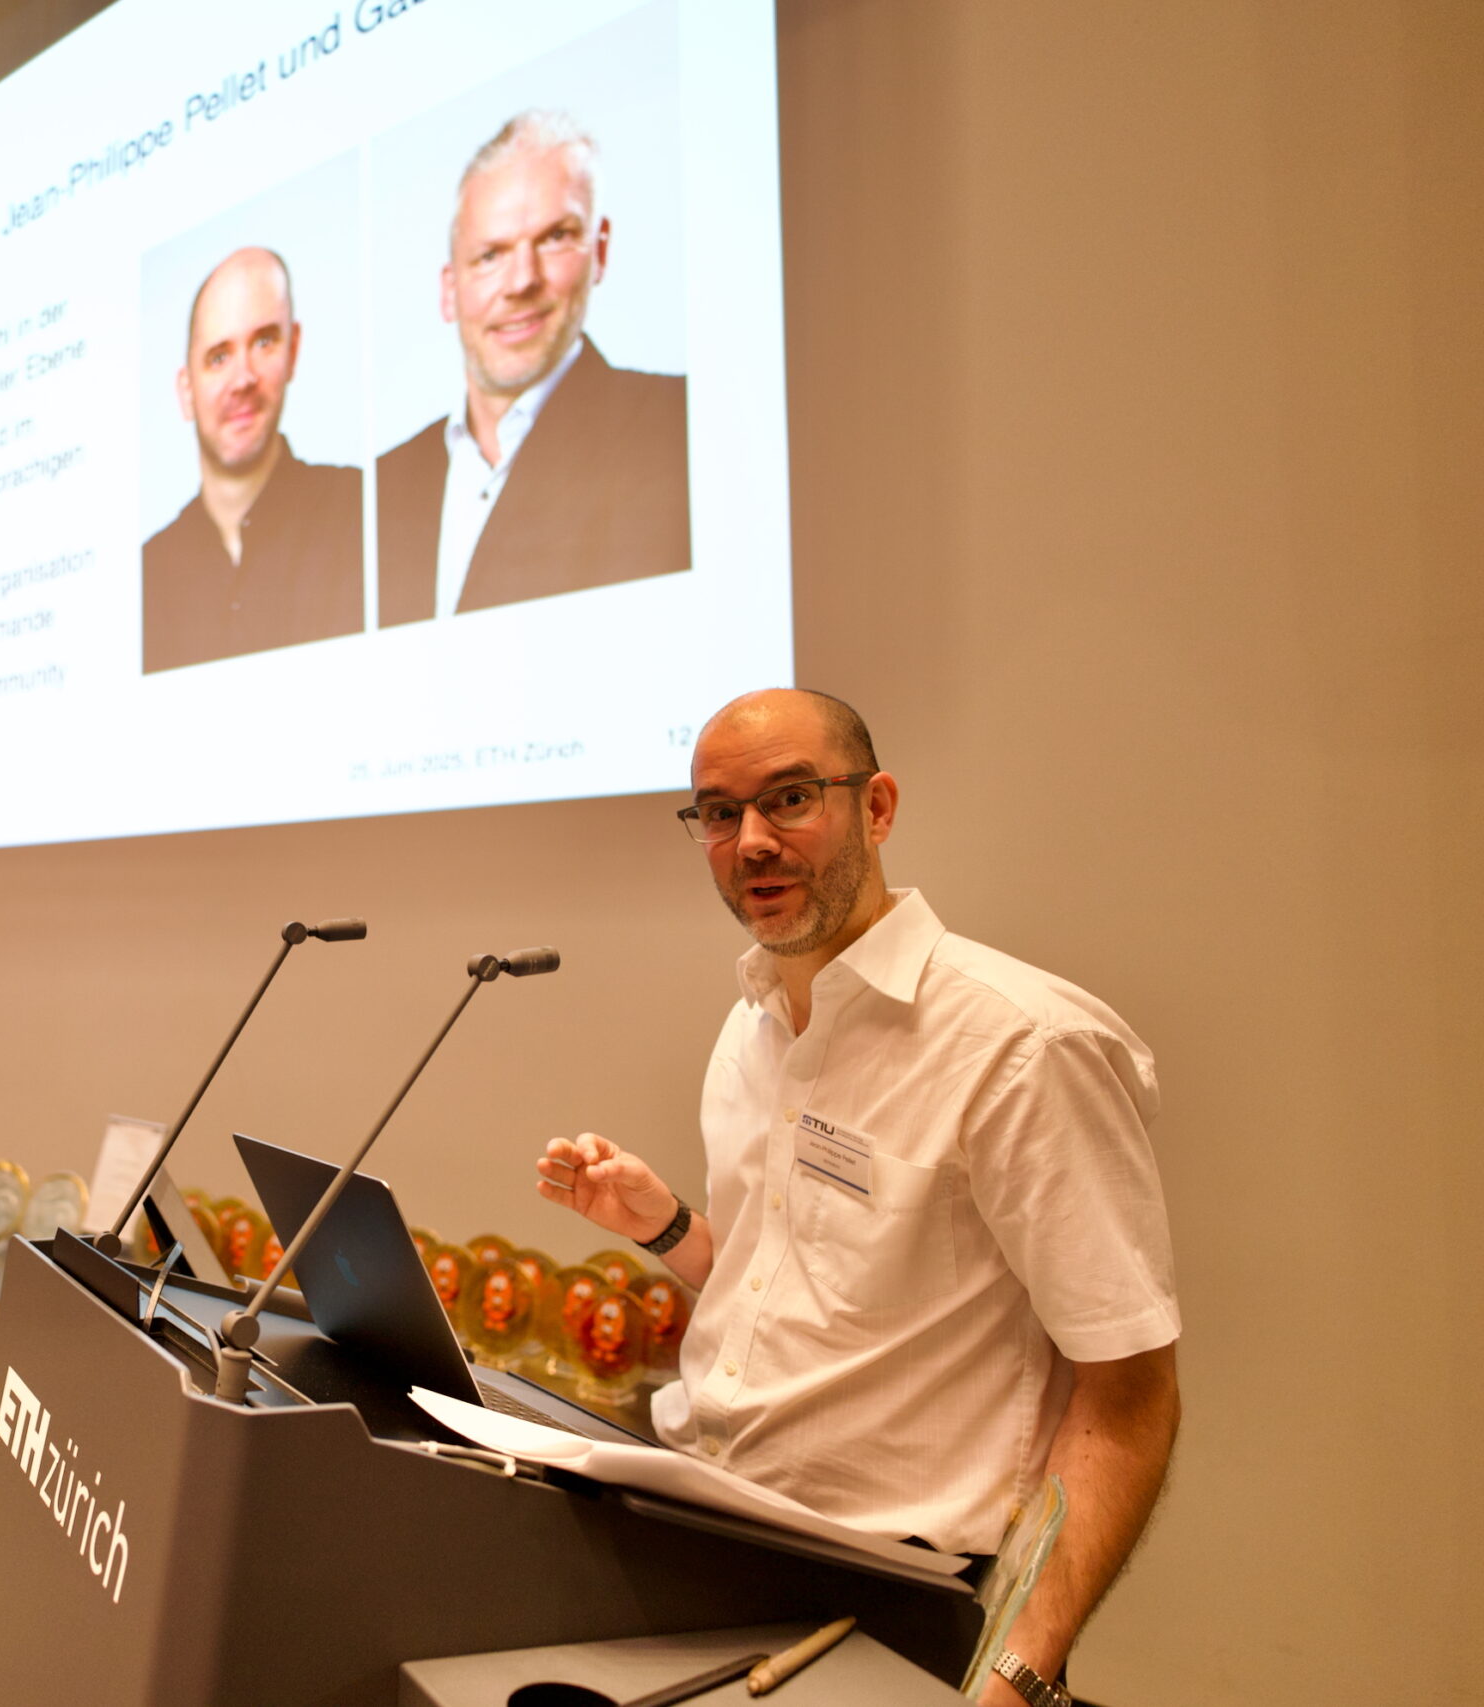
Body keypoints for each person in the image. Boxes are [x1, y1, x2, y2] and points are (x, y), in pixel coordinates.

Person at [535, 689, 1181, 1707]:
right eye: (718, 812)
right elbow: (803, 1292)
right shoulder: (752, 1024)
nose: (751, 840)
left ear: (875, 807)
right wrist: (667, 1227)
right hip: (706, 1541)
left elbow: (1129, 1396)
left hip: (898, 1596)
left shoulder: (1022, 1046)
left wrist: (1014, 1677)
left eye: (789, 798)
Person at [375, 110, 690, 627]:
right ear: (449, 290)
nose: (522, 280)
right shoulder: (380, 490)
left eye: (554, 237)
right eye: (490, 255)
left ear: (599, 252)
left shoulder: (683, 429)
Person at [142, 245, 364, 673]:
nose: (242, 378)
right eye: (219, 357)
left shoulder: (362, 511)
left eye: (263, 342)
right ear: (186, 391)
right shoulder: (146, 575)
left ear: (293, 351)